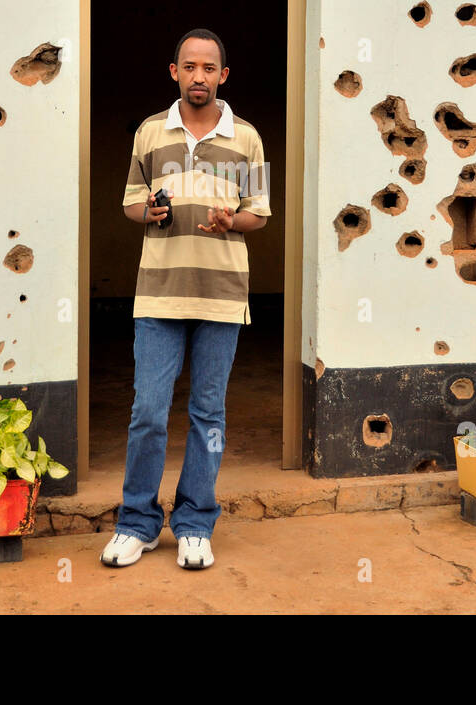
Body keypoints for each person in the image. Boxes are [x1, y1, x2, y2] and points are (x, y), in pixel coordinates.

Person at [100, 28, 271, 570]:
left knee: (208, 413)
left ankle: (196, 523)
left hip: (222, 295)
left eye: (209, 67)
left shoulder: (247, 138)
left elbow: (259, 213)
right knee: (148, 410)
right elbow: (131, 203)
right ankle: (137, 523)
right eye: (189, 66)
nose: (199, 76)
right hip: (159, 294)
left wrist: (232, 220)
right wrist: (146, 212)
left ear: (224, 75)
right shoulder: (151, 133)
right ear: (174, 72)